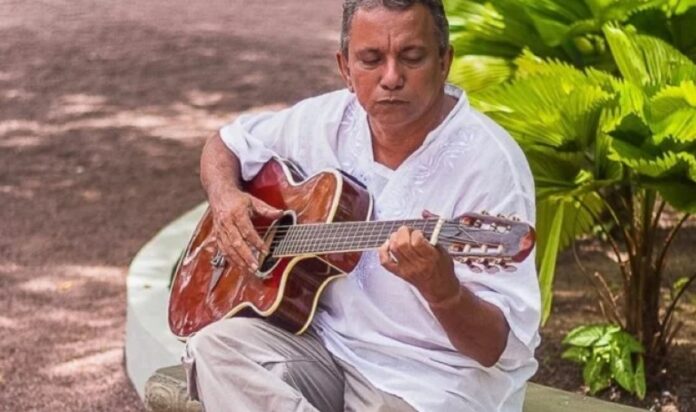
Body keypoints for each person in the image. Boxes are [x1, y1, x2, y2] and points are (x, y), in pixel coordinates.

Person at [183, 0, 541, 411]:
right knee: (216, 348)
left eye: (412, 57)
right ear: (345, 68)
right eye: (371, 60)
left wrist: (444, 293)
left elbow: (495, 348)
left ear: (445, 61)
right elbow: (225, 143)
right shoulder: (324, 121)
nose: (391, 78)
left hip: (432, 380)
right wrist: (226, 199)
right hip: (327, 348)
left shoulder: (491, 164)